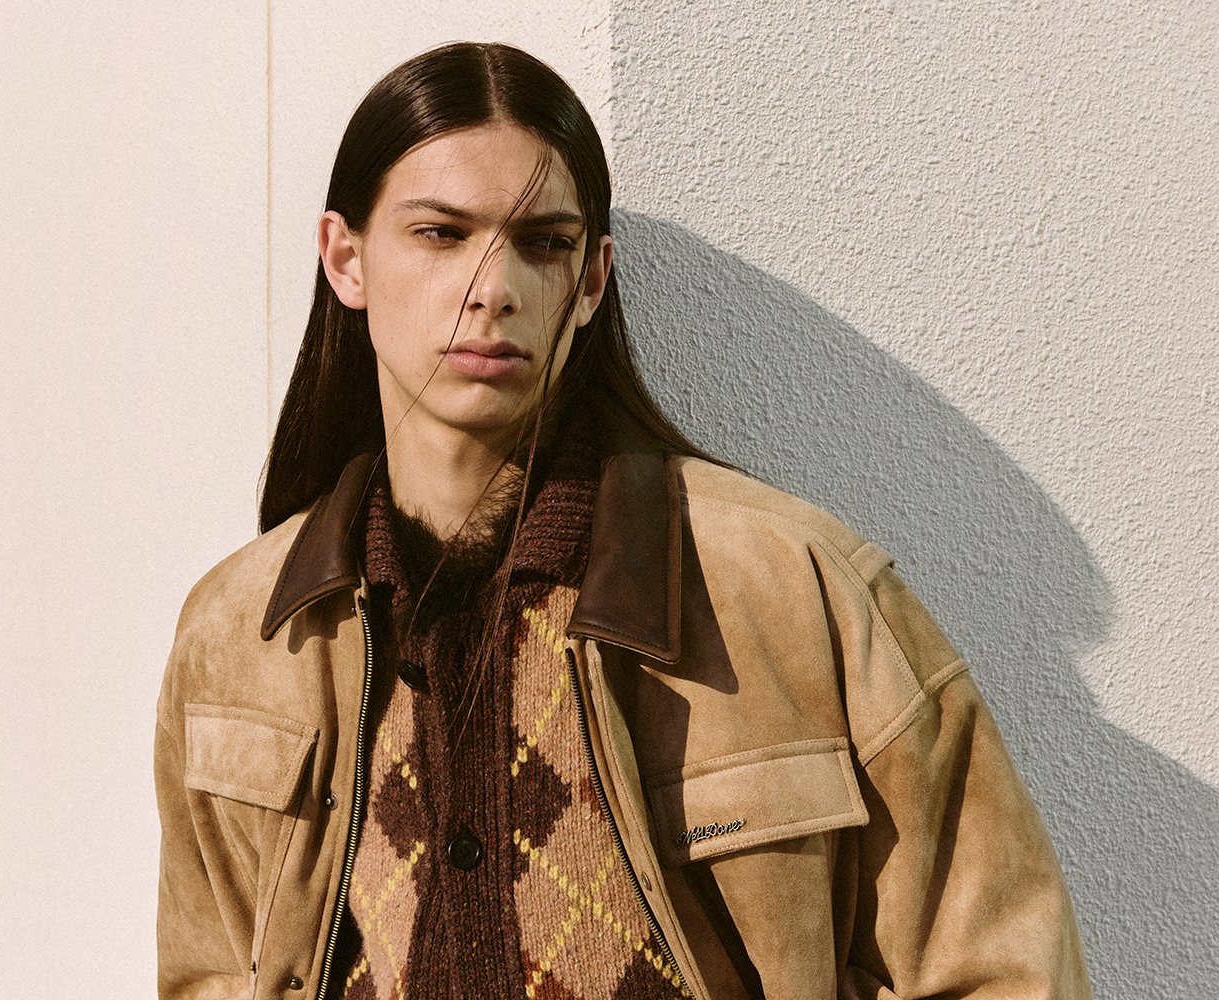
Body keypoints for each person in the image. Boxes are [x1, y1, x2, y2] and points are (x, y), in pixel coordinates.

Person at [154, 41, 1091, 1000]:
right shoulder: (237, 636)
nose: (493, 288)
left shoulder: (799, 590)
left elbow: (1004, 971)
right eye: (440, 233)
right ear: (345, 259)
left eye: (543, 243)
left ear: (592, 281)